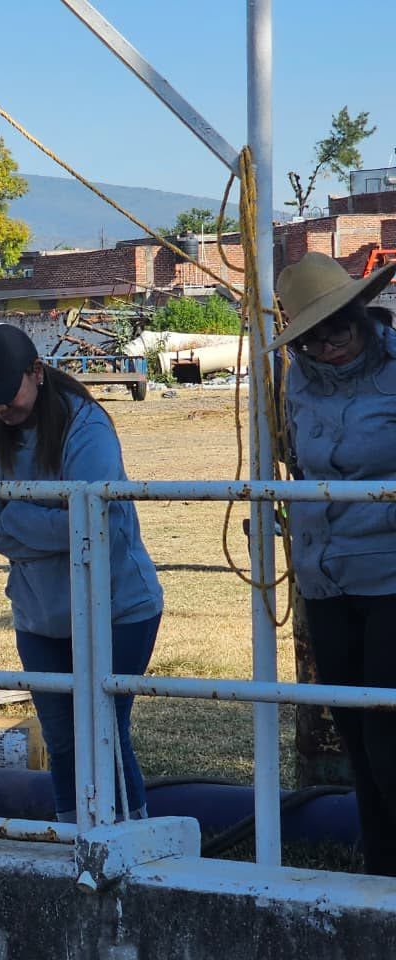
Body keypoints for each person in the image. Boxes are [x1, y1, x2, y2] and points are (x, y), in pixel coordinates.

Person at [0, 323, 163, 823]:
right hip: (39, 614)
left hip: (118, 607)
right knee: (60, 736)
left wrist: (18, 514)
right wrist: (51, 522)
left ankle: (126, 839)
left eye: (6, 395)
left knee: (104, 729)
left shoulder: (87, 426)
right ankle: (73, 838)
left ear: (36, 372)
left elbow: (95, 524)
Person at [271, 251, 396, 876]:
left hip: (392, 574)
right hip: (323, 576)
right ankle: (379, 870)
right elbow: (294, 463)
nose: (328, 344)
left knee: (387, 734)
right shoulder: (294, 380)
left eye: (338, 327)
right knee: (353, 733)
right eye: (311, 336)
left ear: (361, 313)